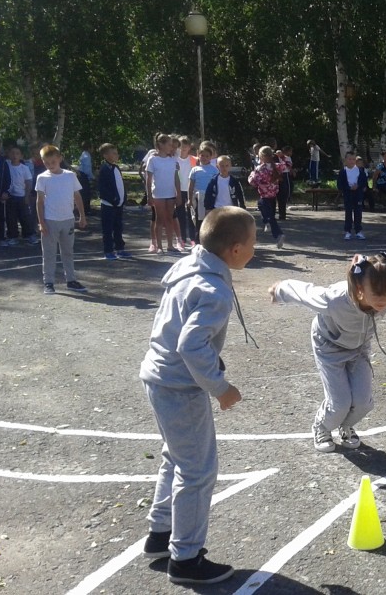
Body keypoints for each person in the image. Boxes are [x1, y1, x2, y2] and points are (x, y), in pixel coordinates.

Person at [138, 206, 256, 585]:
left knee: (176, 458)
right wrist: (221, 387)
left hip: (157, 376)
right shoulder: (215, 290)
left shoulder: (189, 265)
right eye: (253, 243)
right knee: (198, 471)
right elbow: (191, 345)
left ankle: (160, 534)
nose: (255, 249)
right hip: (180, 387)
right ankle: (186, 559)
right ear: (235, 250)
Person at [270, 252, 386, 452]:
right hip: (329, 347)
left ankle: (346, 426)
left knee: (363, 403)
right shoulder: (335, 299)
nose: (383, 300)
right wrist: (280, 290)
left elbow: (382, 294)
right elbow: (306, 293)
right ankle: (322, 427)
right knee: (339, 403)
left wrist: (384, 294)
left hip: (359, 349)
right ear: (360, 288)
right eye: (376, 293)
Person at [35, 145, 88, 295]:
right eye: (46, 163)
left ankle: (71, 280)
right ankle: (48, 282)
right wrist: (41, 222)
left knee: (68, 251)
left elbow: (77, 196)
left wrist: (82, 216)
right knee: (49, 253)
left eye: (53, 162)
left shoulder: (70, 175)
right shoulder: (42, 178)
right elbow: (39, 201)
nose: (50, 165)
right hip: (50, 220)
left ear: (60, 159)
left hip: (68, 219)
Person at [146, 134, 183, 254]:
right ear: (161, 145)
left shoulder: (173, 160)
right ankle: (159, 246)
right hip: (158, 194)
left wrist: (178, 194)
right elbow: (148, 179)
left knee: (169, 219)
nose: (171, 147)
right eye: (169, 144)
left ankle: (170, 245)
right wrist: (149, 195)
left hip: (170, 193)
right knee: (159, 219)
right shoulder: (153, 160)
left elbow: (176, 178)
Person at [97, 143, 130, 259]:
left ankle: (120, 248)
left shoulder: (116, 168)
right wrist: (113, 199)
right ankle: (108, 250)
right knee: (108, 229)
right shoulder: (104, 169)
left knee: (118, 227)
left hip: (118, 205)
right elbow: (103, 188)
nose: (117, 155)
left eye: (117, 153)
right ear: (105, 155)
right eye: (114, 153)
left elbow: (120, 185)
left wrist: (123, 198)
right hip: (109, 205)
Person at [0, 146, 38, 246]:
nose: (15, 156)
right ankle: (12, 236)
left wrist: (26, 196)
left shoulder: (24, 168)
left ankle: (29, 235)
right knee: (11, 218)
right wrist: (4, 193)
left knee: (25, 217)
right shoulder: (6, 166)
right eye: (12, 153)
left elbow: (28, 182)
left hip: (22, 196)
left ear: (21, 156)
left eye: (17, 153)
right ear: (9, 154)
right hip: (10, 196)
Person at [249, 146, 286, 248]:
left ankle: (278, 234)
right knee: (268, 213)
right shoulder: (277, 166)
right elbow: (285, 166)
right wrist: (281, 157)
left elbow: (253, 182)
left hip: (264, 195)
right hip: (273, 196)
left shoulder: (260, 169)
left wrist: (251, 174)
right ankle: (267, 223)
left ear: (262, 157)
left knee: (267, 214)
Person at [188, 144, 219, 243]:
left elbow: (217, 186)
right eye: (202, 155)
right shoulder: (194, 169)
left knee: (210, 220)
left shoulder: (214, 170)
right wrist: (189, 199)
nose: (204, 158)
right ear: (198, 155)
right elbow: (191, 186)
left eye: (207, 156)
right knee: (199, 220)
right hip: (198, 198)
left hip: (210, 199)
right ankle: (198, 241)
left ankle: (210, 241)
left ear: (211, 157)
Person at [337, 151, 368, 240]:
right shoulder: (343, 172)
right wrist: (348, 188)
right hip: (348, 194)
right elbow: (340, 184)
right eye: (349, 159)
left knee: (358, 212)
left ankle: (358, 231)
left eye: (353, 159)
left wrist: (358, 186)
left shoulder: (360, 171)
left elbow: (364, 182)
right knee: (348, 212)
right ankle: (348, 231)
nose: (351, 161)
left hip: (358, 194)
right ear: (345, 160)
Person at [175, 136, 198, 248]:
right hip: (178, 190)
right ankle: (181, 239)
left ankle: (193, 238)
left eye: (185, 146)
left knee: (191, 215)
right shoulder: (174, 159)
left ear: (189, 147)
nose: (183, 148)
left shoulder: (194, 160)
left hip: (190, 190)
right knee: (180, 215)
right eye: (180, 146)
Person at [275, 147, 294, 220]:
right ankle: (281, 214)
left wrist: (282, 157)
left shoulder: (287, 158)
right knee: (281, 195)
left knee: (284, 195)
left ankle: (282, 214)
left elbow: (289, 166)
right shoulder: (276, 158)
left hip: (285, 175)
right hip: (281, 175)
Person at [78, 142, 94, 215]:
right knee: (86, 194)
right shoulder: (87, 156)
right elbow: (87, 169)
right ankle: (86, 210)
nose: (93, 149)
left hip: (81, 175)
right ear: (89, 148)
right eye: (92, 147)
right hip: (84, 176)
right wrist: (92, 176)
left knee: (82, 193)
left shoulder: (83, 154)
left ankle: (82, 209)